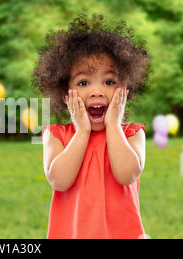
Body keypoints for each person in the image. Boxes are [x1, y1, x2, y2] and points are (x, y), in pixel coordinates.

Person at [34, 14, 150, 239]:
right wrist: (82, 131)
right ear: (64, 91)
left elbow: (127, 175)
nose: (97, 91)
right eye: (83, 82)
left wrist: (114, 125)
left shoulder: (132, 134)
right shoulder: (56, 136)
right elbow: (59, 180)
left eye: (109, 82)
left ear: (124, 89)